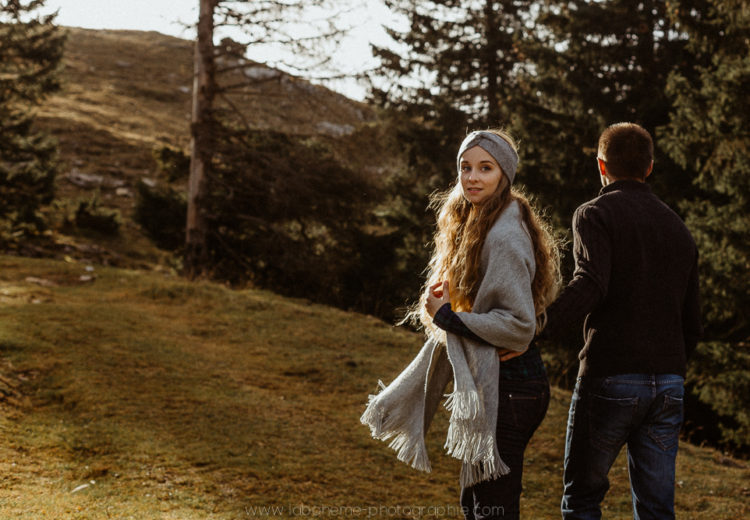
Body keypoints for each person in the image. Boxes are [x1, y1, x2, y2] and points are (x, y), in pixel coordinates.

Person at [361, 129, 561, 520]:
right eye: (465, 168)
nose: (472, 177)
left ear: (504, 173)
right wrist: (442, 307)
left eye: (485, 168)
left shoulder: (503, 235)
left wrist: (448, 317)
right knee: (477, 503)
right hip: (498, 381)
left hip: (513, 387)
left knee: (491, 507)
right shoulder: (478, 219)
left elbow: (519, 325)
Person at [539, 122, 702, 519]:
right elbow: (693, 320)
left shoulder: (594, 214)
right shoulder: (678, 229)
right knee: (656, 508)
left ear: (601, 165)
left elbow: (590, 283)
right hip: (668, 382)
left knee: (581, 499)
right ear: (649, 167)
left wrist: (535, 329)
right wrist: (671, 367)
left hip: (611, 374)